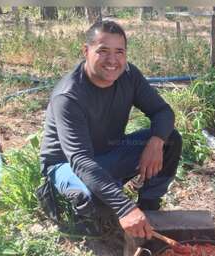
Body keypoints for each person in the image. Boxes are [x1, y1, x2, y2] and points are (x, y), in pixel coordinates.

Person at [39, 20, 182, 239]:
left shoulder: (129, 75)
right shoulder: (68, 96)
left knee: (169, 139)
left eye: (119, 52)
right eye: (103, 51)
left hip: (108, 152)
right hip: (67, 163)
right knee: (93, 197)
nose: (113, 61)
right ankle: (84, 218)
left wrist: (156, 142)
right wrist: (124, 207)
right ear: (86, 51)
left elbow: (162, 112)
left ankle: (149, 207)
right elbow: (80, 160)